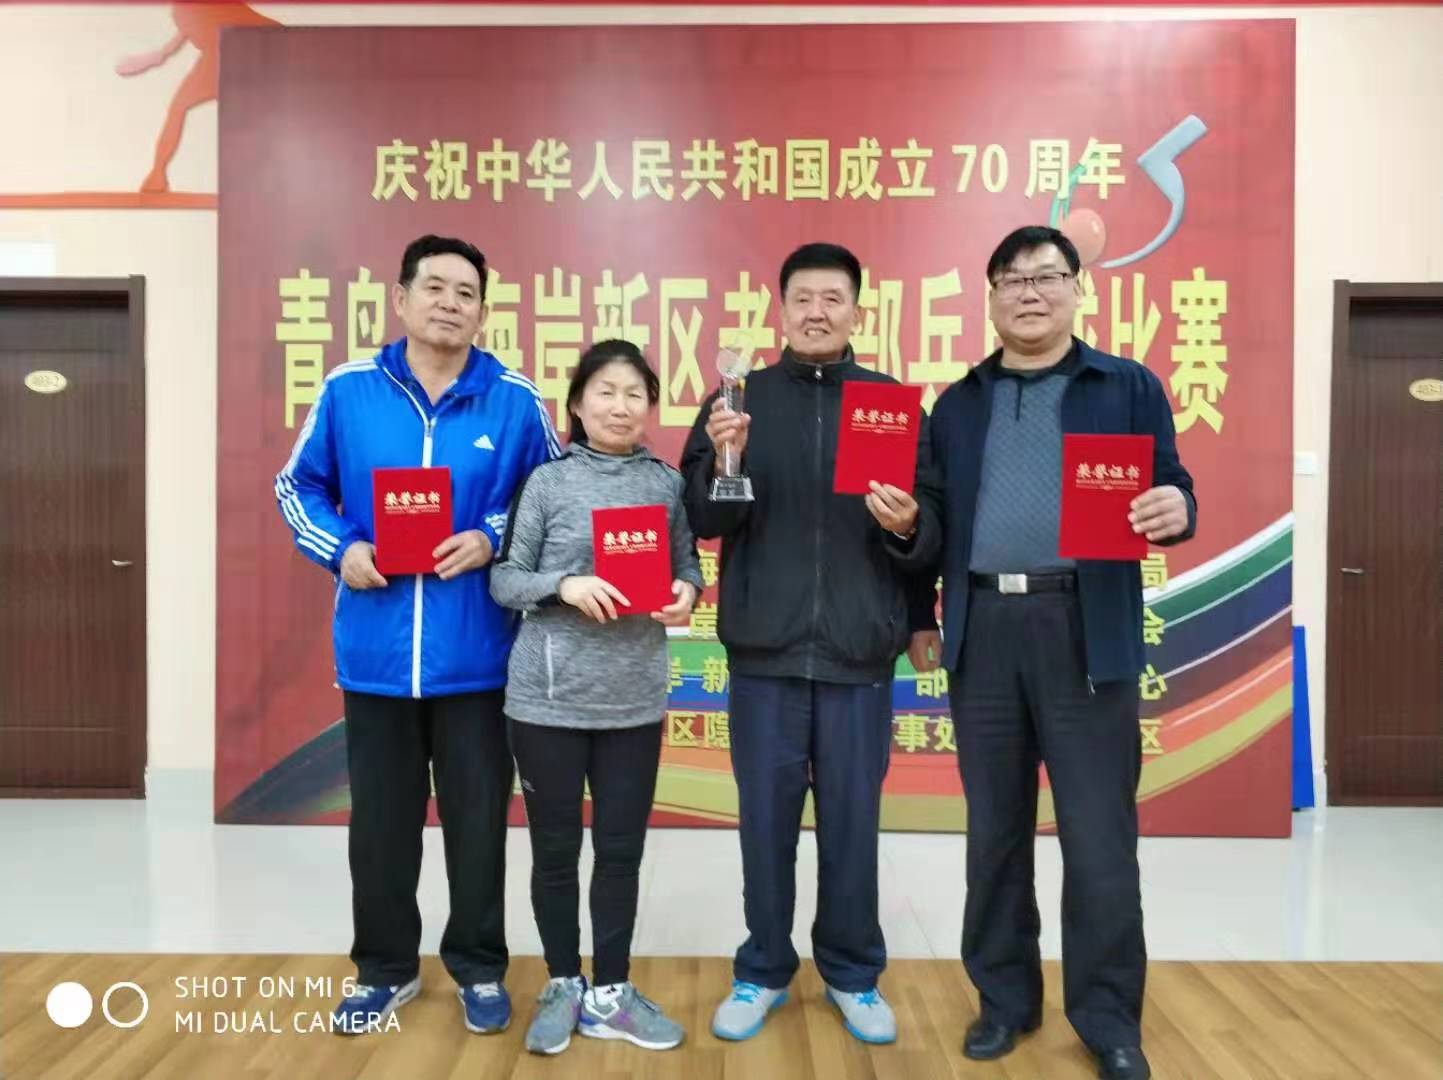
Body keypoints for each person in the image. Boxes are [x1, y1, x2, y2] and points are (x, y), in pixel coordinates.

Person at [910, 225, 1196, 1080]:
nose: (1028, 293)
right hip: (984, 633)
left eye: (1045, 277)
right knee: (994, 833)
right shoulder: (958, 404)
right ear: (991, 296)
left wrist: (1176, 508)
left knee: (1099, 837)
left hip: (1086, 631)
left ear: (1077, 287)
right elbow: (930, 525)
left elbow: (1172, 485)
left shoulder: (1126, 386)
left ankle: (1108, 1020)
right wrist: (914, 594)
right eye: (1011, 280)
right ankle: (1004, 1001)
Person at [275, 234, 560, 1036]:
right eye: (434, 287)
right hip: (376, 656)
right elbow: (298, 486)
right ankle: (384, 969)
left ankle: (479, 967)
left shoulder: (513, 400)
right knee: (380, 828)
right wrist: (342, 549)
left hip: (480, 657)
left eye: (466, 293)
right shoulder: (349, 390)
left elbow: (552, 496)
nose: (449, 303)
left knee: (477, 825)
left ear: (482, 312)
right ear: (399, 299)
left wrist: (492, 536)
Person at [679, 242, 939, 1046]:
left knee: (852, 828)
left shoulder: (890, 405)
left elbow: (930, 526)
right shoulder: (737, 400)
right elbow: (704, 519)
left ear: (857, 311)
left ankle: (853, 973)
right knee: (764, 826)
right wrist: (727, 456)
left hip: (860, 656)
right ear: (780, 309)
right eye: (802, 298)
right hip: (764, 653)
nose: (817, 311)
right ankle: (761, 968)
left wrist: (910, 536)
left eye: (832, 298)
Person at [490, 340, 704, 1055]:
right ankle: (562, 983)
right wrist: (564, 585)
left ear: (650, 407)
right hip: (547, 700)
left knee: (620, 852)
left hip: (632, 700)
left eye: (634, 393)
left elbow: (687, 567)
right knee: (555, 852)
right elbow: (504, 579)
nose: (620, 406)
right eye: (605, 392)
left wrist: (685, 593)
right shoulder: (547, 481)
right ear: (577, 404)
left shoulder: (666, 485)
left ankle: (610, 991)